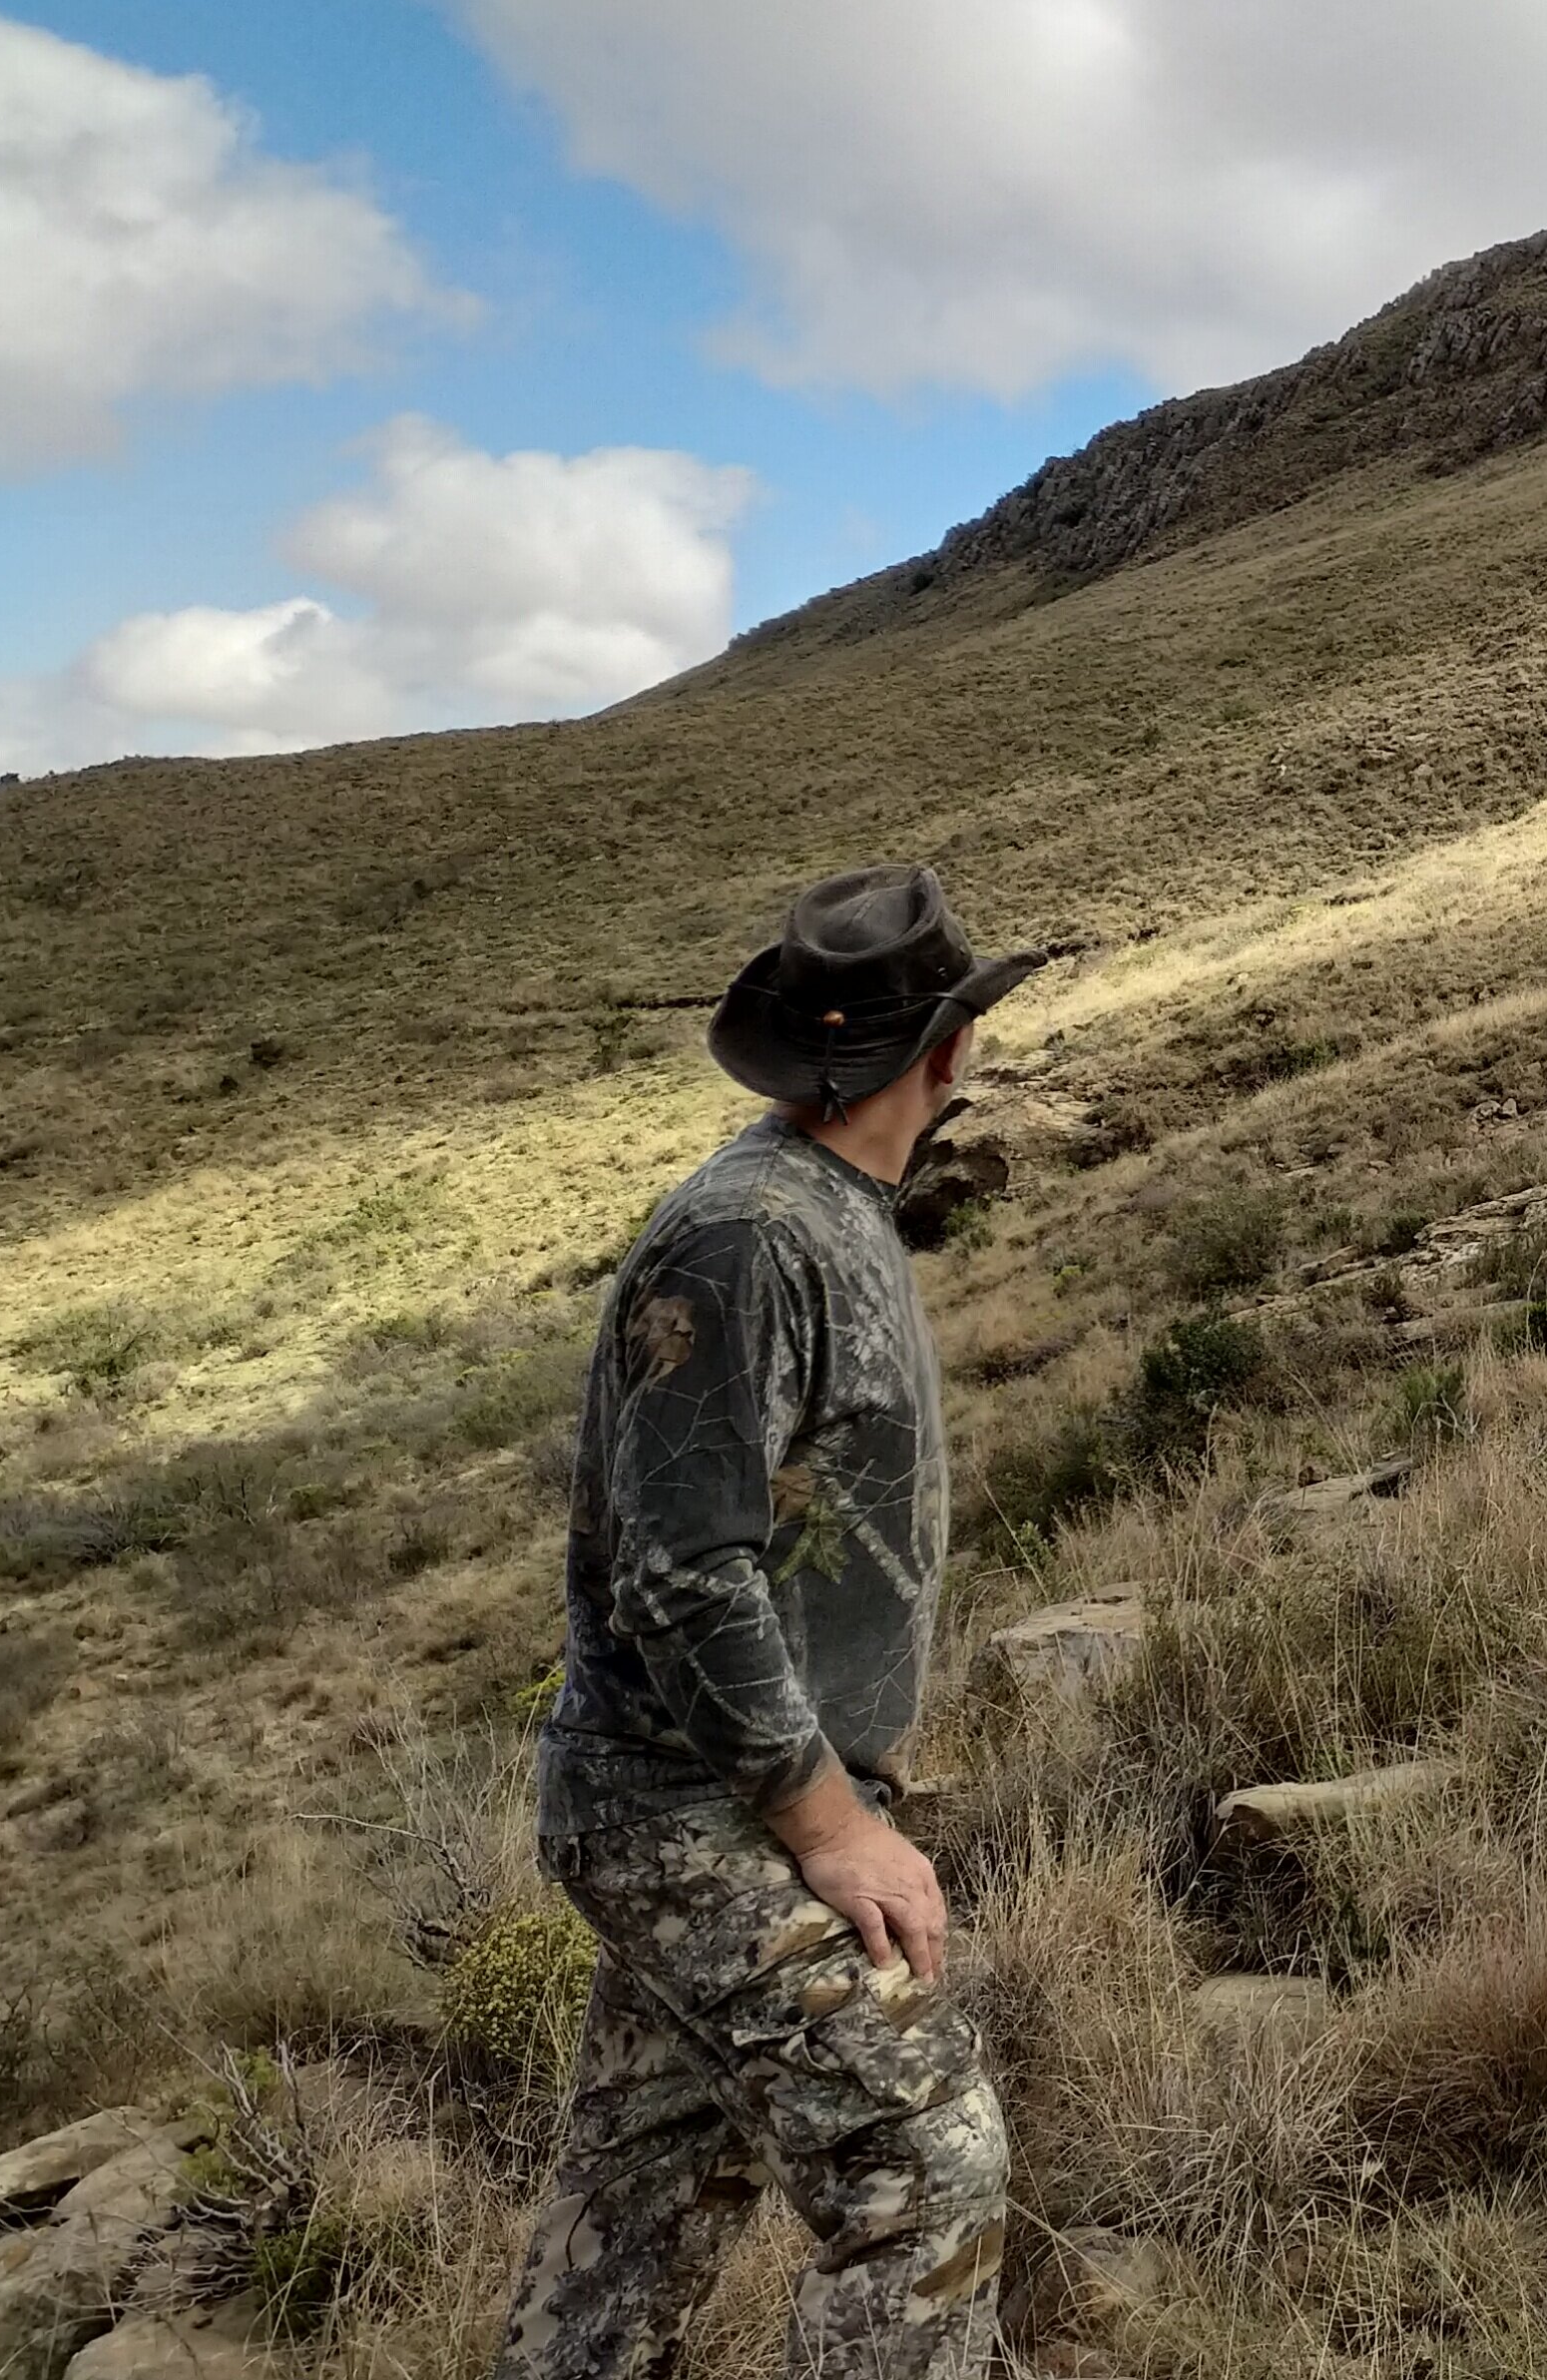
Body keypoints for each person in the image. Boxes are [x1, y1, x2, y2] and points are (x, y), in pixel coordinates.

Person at [493, 866, 1047, 2380]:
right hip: (695, 1807)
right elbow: (684, 1574)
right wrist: (829, 1826)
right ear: (945, 1050)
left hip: (704, 1801)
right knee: (926, 2160)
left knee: (638, 2215)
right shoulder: (746, 1240)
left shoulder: (817, 1214)